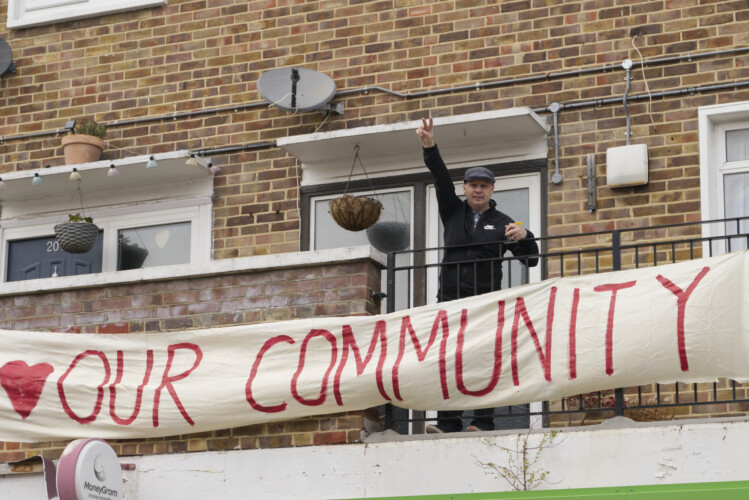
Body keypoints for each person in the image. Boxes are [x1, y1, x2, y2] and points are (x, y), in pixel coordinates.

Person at [416, 117, 539, 433]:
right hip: (450, 301)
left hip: (486, 305)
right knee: (449, 361)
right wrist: (430, 146)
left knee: (484, 360)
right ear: (465, 189)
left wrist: (526, 236)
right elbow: (440, 178)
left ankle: (482, 423)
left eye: (484, 185)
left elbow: (530, 261)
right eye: (473, 185)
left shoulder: (503, 222)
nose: (478, 190)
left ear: (492, 189)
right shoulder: (452, 211)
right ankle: (448, 425)